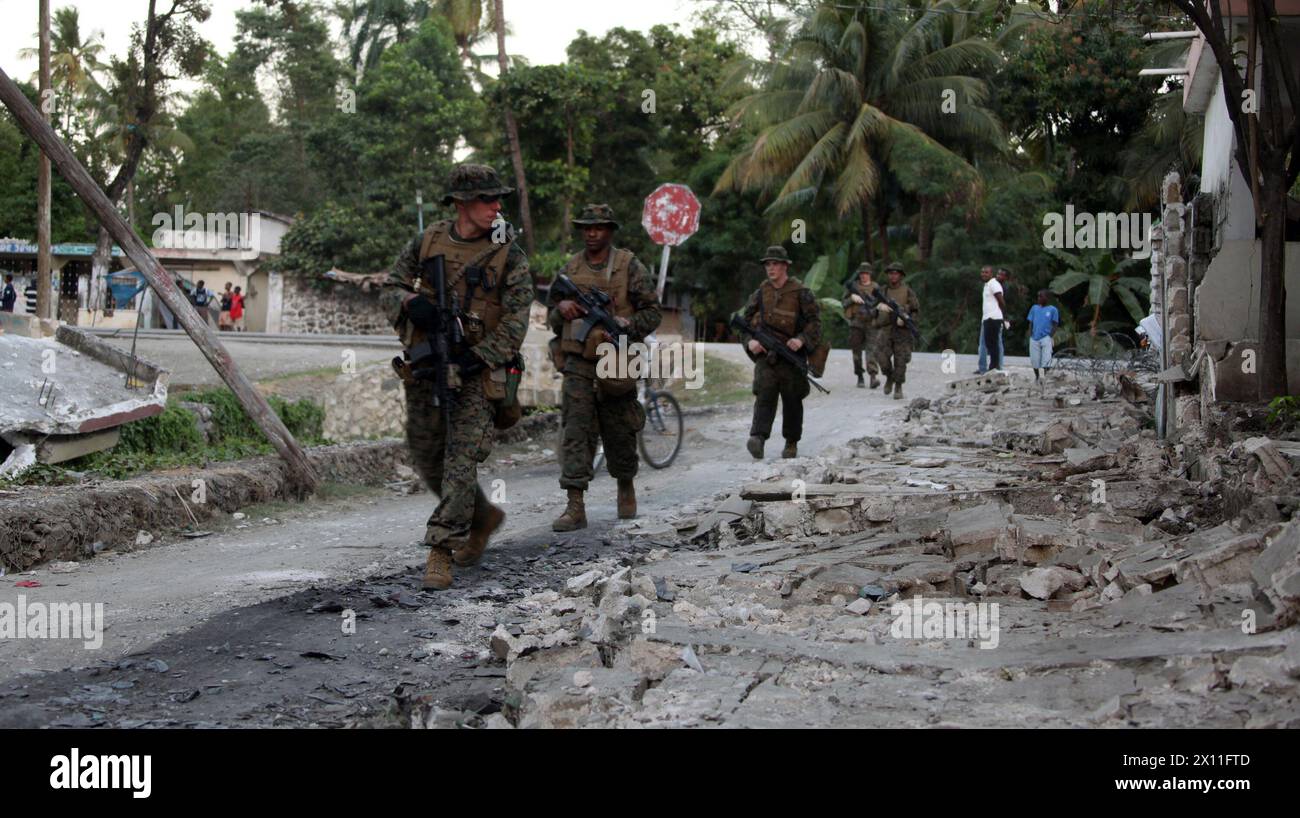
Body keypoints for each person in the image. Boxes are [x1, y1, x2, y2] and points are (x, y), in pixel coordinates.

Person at [382, 163, 532, 591]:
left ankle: (441, 551)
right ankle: (484, 517)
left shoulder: (508, 252)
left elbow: (517, 321)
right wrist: (411, 301)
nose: (497, 206)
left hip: (479, 373)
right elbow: (389, 285)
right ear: (463, 203)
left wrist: (478, 358)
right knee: (427, 455)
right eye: (488, 199)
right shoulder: (428, 241)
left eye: (498, 198)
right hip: (428, 366)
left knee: (460, 462)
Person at [549, 204, 662, 532]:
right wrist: (563, 308)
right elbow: (553, 319)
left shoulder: (629, 266)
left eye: (598, 227)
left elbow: (652, 311)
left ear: (610, 230)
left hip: (616, 360)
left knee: (619, 428)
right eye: (586, 227)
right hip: (578, 362)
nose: (591, 233)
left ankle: (625, 485)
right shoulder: (571, 267)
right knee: (575, 430)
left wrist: (630, 323)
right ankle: (575, 505)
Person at [741, 245, 822, 459]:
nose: (770, 268)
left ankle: (791, 442)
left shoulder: (801, 292)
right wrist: (750, 342)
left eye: (775, 263)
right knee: (764, 395)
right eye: (768, 264)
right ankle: (757, 438)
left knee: (792, 399)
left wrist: (801, 339)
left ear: (785, 266)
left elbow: (815, 323)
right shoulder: (760, 293)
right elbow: (745, 323)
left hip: (791, 357)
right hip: (767, 357)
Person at [873, 261, 921, 400]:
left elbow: (916, 310)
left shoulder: (908, 291)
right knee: (881, 356)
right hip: (886, 328)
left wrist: (907, 319)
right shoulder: (883, 291)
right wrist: (878, 307)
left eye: (896, 273)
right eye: (891, 273)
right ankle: (889, 377)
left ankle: (898, 385)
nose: (893, 276)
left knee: (900, 360)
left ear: (901, 276)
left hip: (902, 330)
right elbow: (870, 306)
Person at [842, 262, 881, 389]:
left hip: (871, 323)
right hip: (856, 323)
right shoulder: (853, 287)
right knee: (856, 352)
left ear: (870, 274)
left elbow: (881, 303)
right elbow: (843, 303)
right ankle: (859, 375)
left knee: (872, 351)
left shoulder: (875, 287)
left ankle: (873, 376)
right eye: (862, 274)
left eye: (866, 273)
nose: (864, 276)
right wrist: (851, 299)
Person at [1026, 289, 1060, 381]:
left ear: (1047, 298)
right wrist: (1030, 333)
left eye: (1041, 296)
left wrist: (1050, 335)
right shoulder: (1034, 308)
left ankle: (1045, 377)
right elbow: (1031, 322)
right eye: (1038, 296)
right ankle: (1037, 377)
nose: (1039, 298)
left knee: (1046, 359)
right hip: (1034, 337)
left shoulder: (1053, 310)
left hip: (1045, 337)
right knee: (1034, 359)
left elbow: (1055, 323)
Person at [979, 265, 1006, 373]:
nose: (983, 274)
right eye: (982, 272)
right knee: (989, 344)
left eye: (986, 272)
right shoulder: (987, 285)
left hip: (993, 318)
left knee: (993, 344)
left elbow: (1001, 301)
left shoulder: (994, 284)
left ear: (991, 274)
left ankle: (995, 367)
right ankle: (990, 367)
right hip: (987, 318)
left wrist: (1003, 316)